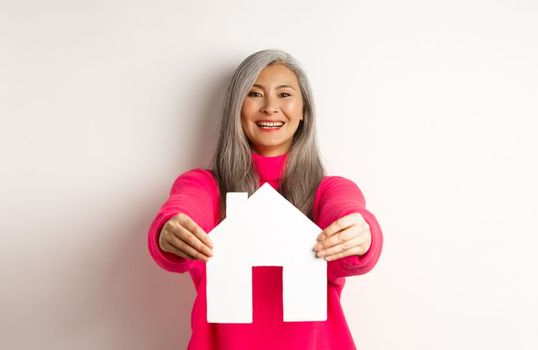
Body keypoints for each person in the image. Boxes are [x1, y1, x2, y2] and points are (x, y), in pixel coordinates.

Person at [147, 49, 384, 350]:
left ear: (303, 112)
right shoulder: (206, 186)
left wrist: (362, 234)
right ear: (237, 108)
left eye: (284, 94)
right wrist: (169, 230)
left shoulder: (327, 190)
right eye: (254, 94)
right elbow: (184, 208)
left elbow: (348, 213)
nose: (271, 107)